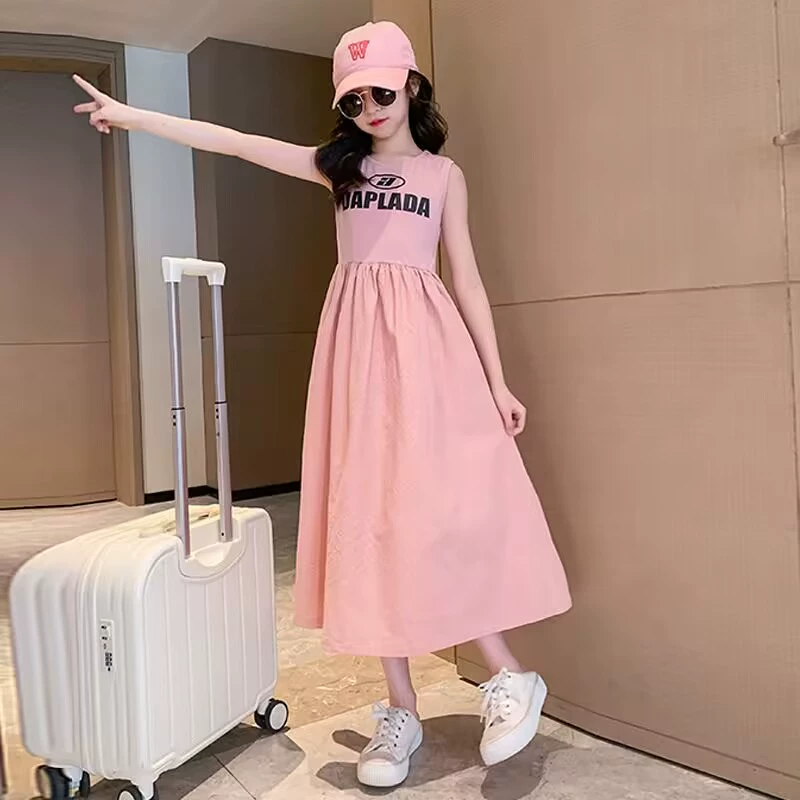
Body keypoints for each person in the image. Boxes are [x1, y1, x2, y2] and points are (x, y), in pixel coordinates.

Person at [73, 19, 572, 789]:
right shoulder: (339, 170)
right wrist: (132, 115)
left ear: (411, 86)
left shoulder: (444, 176)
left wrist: (496, 379)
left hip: (431, 354)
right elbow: (237, 141)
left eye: (382, 93)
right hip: (357, 361)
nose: (370, 109)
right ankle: (400, 707)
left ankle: (507, 674)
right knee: (369, 520)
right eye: (354, 99)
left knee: (441, 512)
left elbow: (467, 279)